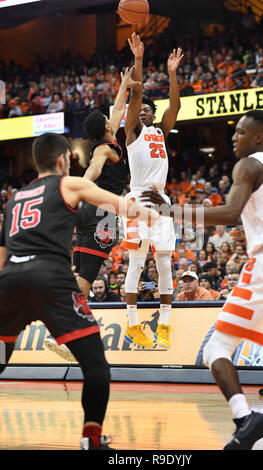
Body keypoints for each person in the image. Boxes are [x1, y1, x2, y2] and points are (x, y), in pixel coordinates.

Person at [141, 109, 263, 450]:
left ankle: (245, 418)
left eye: (240, 132)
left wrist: (170, 210)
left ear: (258, 137)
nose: (233, 137)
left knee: (216, 348)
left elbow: (229, 214)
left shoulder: (249, 165)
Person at [0, 132, 157, 450]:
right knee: (96, 367)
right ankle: (91, 440)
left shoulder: (14, 197)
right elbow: (123, 207)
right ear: (63, 160)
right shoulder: (68, 184)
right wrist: (154, 214)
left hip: (11, 281)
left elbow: (2, 256)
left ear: (36, 161)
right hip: (51, 281)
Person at [44, 67, 139, 359]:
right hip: (102, 213)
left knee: (81, 275)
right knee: (86, 279)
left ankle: (63, 329)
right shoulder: (104, 151)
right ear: (108, 128)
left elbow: (120, 106)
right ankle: (62, 333)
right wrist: (79, 187)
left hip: (87, 214)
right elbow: (93, 170)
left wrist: (125, 82)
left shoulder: (105, 137)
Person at [121, 33, 184, 349]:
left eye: (147, 111)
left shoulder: (160, 131)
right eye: (140, 110)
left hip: (161, 201)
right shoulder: (132, 132)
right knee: (136, 262)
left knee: (163, 263)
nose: (143, 112)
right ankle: (132, 324)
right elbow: (136, 95)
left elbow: (176, 104)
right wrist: (140, 59)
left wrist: (172, 74)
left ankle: (165, 325)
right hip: (137, 198)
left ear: (153, 115)